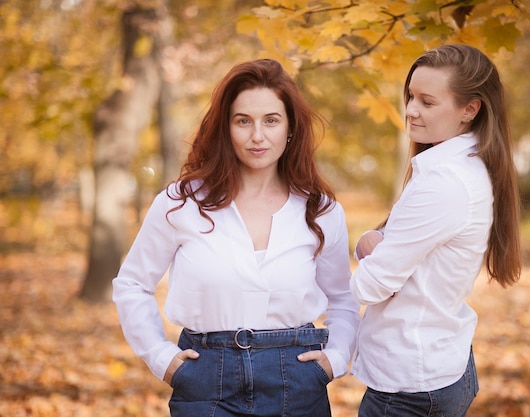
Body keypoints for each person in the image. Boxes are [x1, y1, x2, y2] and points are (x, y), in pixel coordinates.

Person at [112, 59, 359, 417]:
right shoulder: (181, 202)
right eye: (243, 121)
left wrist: (334, 359)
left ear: (290, 128)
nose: (257, 136)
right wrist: (160, 357)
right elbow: (133, 282)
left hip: (297, 379)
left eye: (271, 120)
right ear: (226, 127)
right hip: (205, 379)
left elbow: (342, 298)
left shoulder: (320, 211)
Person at [350, 44, 522, 417]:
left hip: (410, 385)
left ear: (469, 109)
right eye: (411, 96)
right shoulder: (460, 167)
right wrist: (379, 245)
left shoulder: (445, 182)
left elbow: (371, 285)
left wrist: (369, 247)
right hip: (440, 363)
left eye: (427, 102)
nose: (411, 110)